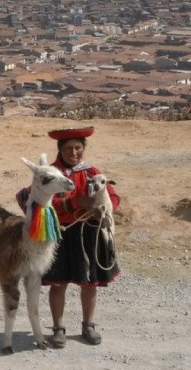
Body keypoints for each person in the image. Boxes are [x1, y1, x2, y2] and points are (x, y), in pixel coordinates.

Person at [16, 126, 120, 348]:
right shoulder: (50, 173)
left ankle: (88, 326)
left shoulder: (92, 172)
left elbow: (111, 196)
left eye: (78, 148)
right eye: (68, 149)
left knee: (89, 282)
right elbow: (33, 200)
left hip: (88, 233)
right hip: (60, 234)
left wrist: (106, 208)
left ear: (84, 148)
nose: (74, 153)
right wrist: (75, 203)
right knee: (59, 283)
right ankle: (58, 328)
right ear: (59, 150)